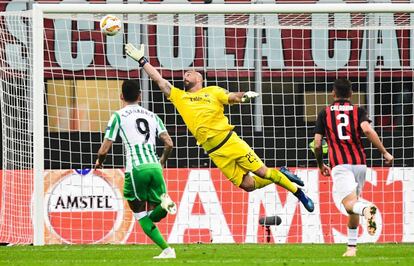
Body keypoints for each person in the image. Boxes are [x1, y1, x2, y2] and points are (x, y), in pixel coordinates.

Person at [124, 43, 314, 212]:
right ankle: (281, 173)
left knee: (262, 172)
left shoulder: (212, 91)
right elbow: (159, 80)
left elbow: (231, 97)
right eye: (184, 74)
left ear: (199, 78)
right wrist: (142, 60)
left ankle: (299, 194)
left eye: (190, 72)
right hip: (214, 152)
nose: (186, 74)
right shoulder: (180, 96)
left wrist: (243, 96)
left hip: (229, 141)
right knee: (248, 185)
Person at [95, 80, 177, 259]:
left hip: (136, 169)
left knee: (139, 212)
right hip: (155, 166)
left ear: (121, 96)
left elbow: (105, 148)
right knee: (153, 214)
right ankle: (163, 205)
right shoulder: (152, 116)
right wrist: (162, 161)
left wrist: (99, 162)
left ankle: (168, 250)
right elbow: (169, 143)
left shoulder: (118, 116)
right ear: (139, 96)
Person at [313, 78, 394, 257]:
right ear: (351, 94)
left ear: (333, 93)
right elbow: (367, 130)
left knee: (349, 205)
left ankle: (367, 210)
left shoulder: (325, 113)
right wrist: (385, 153)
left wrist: (320, 164)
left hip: (340, 165)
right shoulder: (359, 111)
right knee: (354, 203)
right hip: (360, 165)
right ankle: (351, 247)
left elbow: (317, 144)